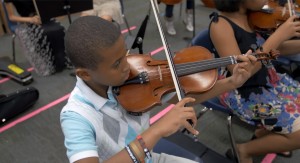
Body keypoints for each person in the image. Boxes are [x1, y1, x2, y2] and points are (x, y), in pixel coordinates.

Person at [60, 15, 256, 163]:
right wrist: (156, 131)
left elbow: (184, 96)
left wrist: (232, 83)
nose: (127, 67)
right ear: (85, 74)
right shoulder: (76, 116)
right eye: (117, 63)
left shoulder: (126, 76)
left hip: (149, 157)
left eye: (125, 54)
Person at [209, 0, 300, 162]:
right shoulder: (220, 26)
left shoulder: (254, 16)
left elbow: (276, 49)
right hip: (241, 91)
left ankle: (262, 134)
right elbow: (243, 73)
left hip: (269, 79)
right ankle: (243, 150)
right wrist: (278, 36)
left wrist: (285, 40)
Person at [4, 0, 69, 76]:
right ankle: (48, 64)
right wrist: (31, 19)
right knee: (42, 33)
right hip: (26, 21)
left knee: (60, 29)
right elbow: (11, 17)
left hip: (42, 16)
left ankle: (62, 61)